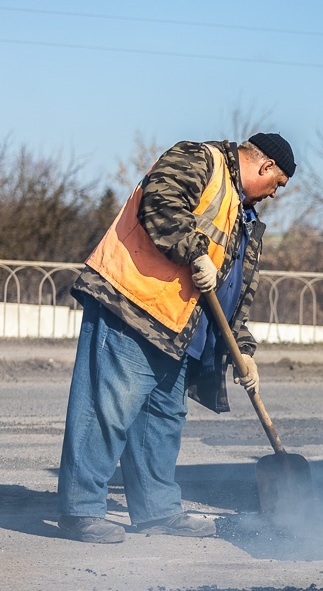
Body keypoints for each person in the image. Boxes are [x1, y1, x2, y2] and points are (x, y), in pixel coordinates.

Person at [57, 133, 296, 543]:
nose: (274, 195)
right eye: (277, 185)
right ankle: (80, 509)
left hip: (179, 330)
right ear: (265, 166)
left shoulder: (243, 216)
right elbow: (162, 202)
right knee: (106, 408)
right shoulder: (200, 158)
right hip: (133, 308)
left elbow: (232, 291)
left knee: (162, 421)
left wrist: (244, 349)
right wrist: (194, 250)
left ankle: (156, 510)